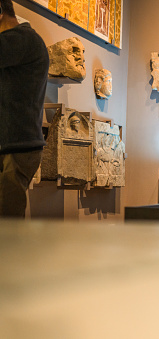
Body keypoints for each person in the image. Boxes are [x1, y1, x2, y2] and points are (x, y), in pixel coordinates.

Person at [0, 0, 49, 217]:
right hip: (16, 145)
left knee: (7, 228)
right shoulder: (24, 41)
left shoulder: (22, 39)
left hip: (16, 147)